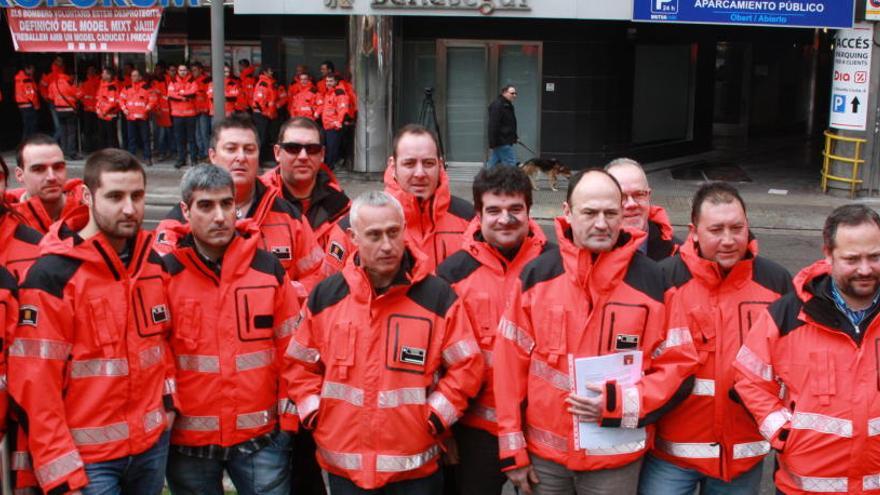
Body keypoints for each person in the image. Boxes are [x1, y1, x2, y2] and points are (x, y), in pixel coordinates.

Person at [494, 169, 699, 495]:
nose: (601, 223)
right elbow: (507, 370)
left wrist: (621, 403)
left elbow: (678, 366)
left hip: (615, 459)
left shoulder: (654, 282)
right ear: (567, 213)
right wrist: (511, 450)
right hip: (546, 461)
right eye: (590, 212)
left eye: (610, 213)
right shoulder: (537, 277)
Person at [284, 190, 483, 494]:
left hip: (415, 470)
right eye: (374, 235)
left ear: (404, 231)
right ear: (352, 237)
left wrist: (435, 417)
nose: (387, 245)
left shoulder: (438, 297)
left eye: (393, 232)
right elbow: (299, 365)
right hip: (345, 467)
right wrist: (315, 413)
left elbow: (467, 367)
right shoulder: (326, 296)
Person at [8, 148, 177, 494]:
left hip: (149, 447)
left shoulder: (152, 266)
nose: (129, 209)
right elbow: (35, 385)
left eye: (137, 196)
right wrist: (60, 471)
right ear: (87, 196)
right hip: (88, 461)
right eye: (115, 196)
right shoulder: (53, 276)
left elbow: (162, 346)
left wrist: (169, 404)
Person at [637, 182, 792, 495]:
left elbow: (792, 366)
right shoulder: (663, 278)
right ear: (694, 231)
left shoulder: (776, 282)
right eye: (716, 229)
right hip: (671, 454)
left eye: (737, 228)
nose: (729, 240)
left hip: (741, 459)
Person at [162, 165, 298, 495]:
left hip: (262, 439)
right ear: (186, 211)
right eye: (206, 206)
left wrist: (288, 425)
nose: (220, 216)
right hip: (188, 443)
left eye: (227, 204)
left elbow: (293, 351)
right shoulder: (166, 274)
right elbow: (156, 356)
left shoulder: (268, 269)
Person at [734, 203, 880, 495]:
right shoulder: (788, 314)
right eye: (852, 259)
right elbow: (748, 379)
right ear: (828, 254)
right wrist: (783, 433)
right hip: (804, 487)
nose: (865, 269)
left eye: (875, 257)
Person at [436, 165, 550, 495]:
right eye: (494, 210)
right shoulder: (452, 274)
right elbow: (438, 362)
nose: (505, 219)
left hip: (540, 429)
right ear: (478, 213)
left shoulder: (555, 268)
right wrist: (445, 432)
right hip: (475, 432)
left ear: (529, 210)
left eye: (516, 209)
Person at [155, 116, 324, 291]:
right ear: (213, 155)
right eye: (231, 149)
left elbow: (317, 276)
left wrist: (281, 294)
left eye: (249, 149)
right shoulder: (179, 222)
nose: (241, 157)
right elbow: (159, 285)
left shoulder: (290, 218)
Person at [267, 117, 350, 274]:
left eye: (312, 149)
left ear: (322, 154)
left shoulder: (342, 208)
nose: (303, 156)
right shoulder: (258, 203)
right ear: (277, 153)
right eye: (293, 148)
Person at [605, 158, 679, 261]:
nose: (631, 204)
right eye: (621, 197)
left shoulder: (679, 254)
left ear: (649, 196)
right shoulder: (588, 254)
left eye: (639, 194)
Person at [11, 134, 87, 234]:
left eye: (58, 167)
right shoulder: (7, 219)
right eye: (39, 169)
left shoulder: (90, 209)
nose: (51, 177)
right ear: (20, 175)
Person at [120, 68, 157, 166]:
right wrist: (124, 109)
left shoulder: (147, 88)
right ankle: (131, 159)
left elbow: (153, 100)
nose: (133, 78)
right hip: (130, 117)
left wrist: (145, 110)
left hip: (143, 117)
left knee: (145, 138)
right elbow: (121, 100)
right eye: (132, 76)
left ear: (140, 77)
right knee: (131, 138)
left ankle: (147, 157)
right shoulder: (127, 88)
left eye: (135, 75)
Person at [315, 74, 350, 170]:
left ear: (335, 82)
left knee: (332, 150)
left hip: (333, 126)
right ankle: (326, 168)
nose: (328, 83)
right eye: (327, 81)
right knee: (325, 148)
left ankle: (329, 170)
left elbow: (343, 109)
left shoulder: (339, 93)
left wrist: (338, 122)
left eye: (330, 81)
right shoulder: (328, 93)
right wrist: (317, 113)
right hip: (326, 126)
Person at [168, 63, 199, 169]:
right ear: (178, 71)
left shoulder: (192, 81)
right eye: (181, 70)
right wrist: (183, 97)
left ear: (187, 71)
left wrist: (181, 92)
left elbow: (193, 92)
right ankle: (181, 159)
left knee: (191, 138)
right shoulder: (172, 81)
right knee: (179, 138)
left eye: (184, 70)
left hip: (190, 114)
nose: (183, 72)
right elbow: (171, 95)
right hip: (177, 115)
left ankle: (194, 159)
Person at [50, 68, 80, 160]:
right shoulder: (69, 83)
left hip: (58, 110)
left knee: (63, 131)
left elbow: (50, 96)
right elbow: (78, 94)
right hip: (69, 110)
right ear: (70, 75)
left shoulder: (53, 84)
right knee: (71, 132)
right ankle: (72, 153)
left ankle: (63, 151)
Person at [252, 67, 280, 164]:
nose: (272, 72)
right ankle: (258, 160)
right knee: (262, 138)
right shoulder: (262, 83)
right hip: (261, 115)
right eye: (270, 71)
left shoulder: (271, 83)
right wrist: (266, 112)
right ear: (264, 72)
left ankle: (263, 159)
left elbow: (274, 99)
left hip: (270, 115)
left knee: (269, 137)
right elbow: (258, 102)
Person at [487, 85, 518, 168]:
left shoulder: (507, 105)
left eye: (515, 93)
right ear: (504, 93)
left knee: (492, 163)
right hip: (502, 141)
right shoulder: (498, 105)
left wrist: (514, 137)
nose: (514, 95)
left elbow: (509, 124)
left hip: (503, 140)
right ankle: (510, 181)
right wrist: (492, 142)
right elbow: (493, 125)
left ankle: (484, 179)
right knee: (511, 162)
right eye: (512, 93)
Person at [39, 56, 65, 143]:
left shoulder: (64, 72)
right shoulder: (48, 73)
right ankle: (52, 144)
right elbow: (42, 87)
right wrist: (48, 98)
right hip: (53, 102)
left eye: (61, 60)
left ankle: (58, 144)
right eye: (58, 60)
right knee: (59, 126)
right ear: (54, 61)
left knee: (62, 126)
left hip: (64, 103)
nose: (60, 62)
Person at [95, 67, 121, 149]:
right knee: (102, 137)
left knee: (112, 137)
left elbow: (112, 102)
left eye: (104, 73)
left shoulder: (112, 87)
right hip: (102, 116)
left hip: (110, 116)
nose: (102, 74)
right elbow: (98, 99)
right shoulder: (102, 85)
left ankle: (115, 155)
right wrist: (98, 109)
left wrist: (103, 111)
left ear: (109, 75)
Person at [191, 62, 211, 163]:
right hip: (194, 111)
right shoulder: (191, 81)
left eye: (195, 70)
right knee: (197, 134)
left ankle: (207, 154)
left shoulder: (206, 80)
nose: (193, 72)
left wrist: (207, 108)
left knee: (204, 134)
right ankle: (202, 153)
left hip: (204, 111)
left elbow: (209, 96)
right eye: (192, 70)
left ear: (200, 70)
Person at [15, 63, 41, 139]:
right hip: (29, 105)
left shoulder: (19, 78)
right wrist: (36, 106)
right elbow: (31, 95)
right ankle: (29, 145)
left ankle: (25, 145)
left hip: (22, 105)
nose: (33, 71)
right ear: (27, 69)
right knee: (31, 127)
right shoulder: (26, 80)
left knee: (27, 126)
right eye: (32, 69)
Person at [79, 66, 101, 152]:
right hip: (88, 110)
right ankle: (88, 148)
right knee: (88, 131)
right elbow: (80, 96)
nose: (90, 72)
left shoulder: (99, 82)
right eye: (89, 71)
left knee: (95, 131)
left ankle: (94, 148)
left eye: (92, 71)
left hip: (96, 110)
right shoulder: (84, 83)